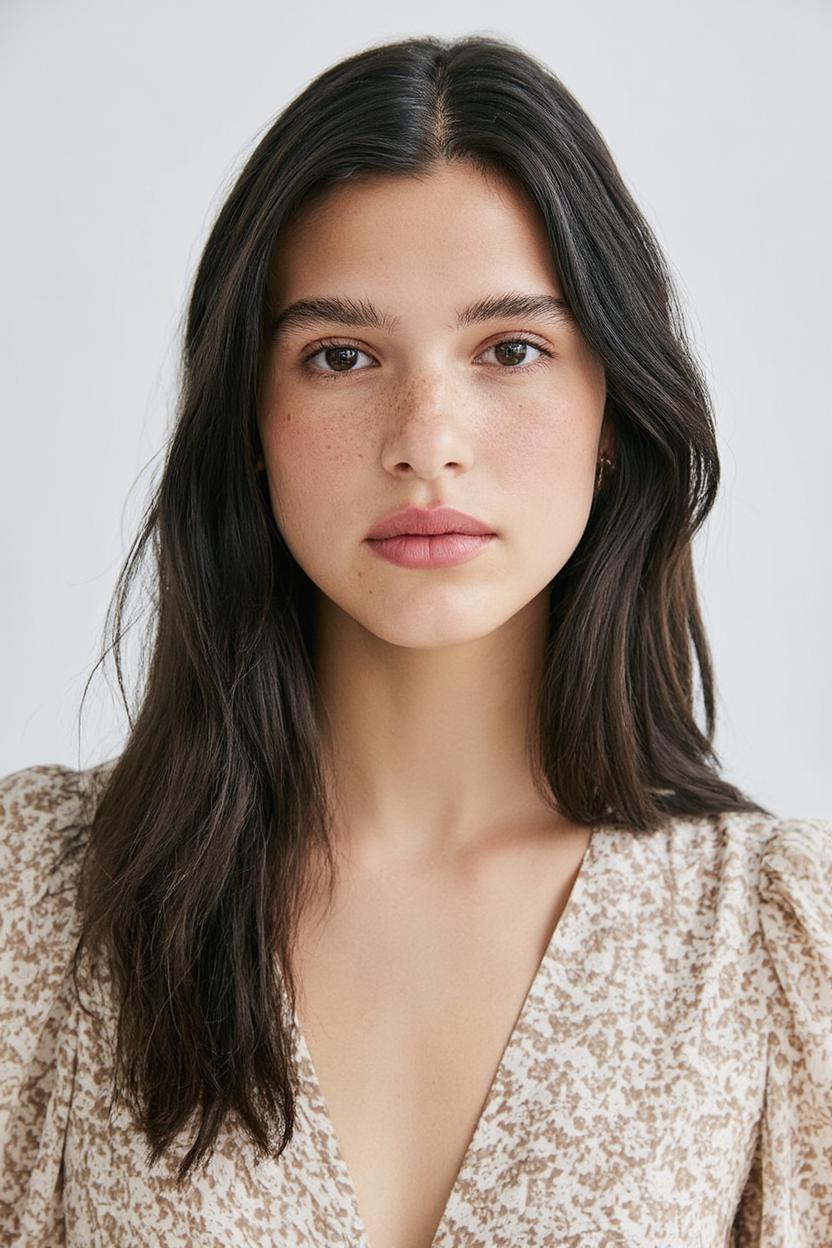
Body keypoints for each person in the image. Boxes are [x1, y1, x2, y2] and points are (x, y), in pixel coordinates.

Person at [1, 32, 830, 1248]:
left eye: (510, 350)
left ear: (614, 410)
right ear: (249, 421)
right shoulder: (40, 903)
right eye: (341, 356)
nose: (425, 439)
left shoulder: (770, 945)